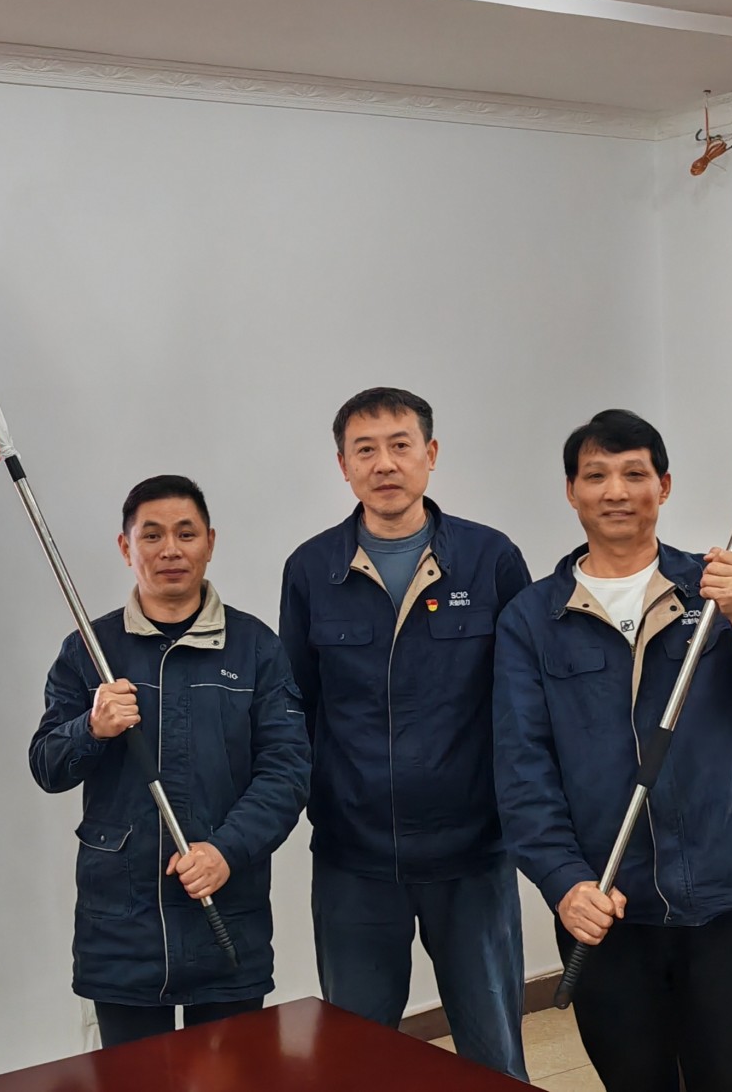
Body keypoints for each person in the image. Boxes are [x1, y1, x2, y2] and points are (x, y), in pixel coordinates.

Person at [493, 409, 732, 1092]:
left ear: (665, 485)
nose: (616, 491)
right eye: (596, 476)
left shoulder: (723, 591)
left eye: (635, 474)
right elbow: (521, 770)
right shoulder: (533, 620)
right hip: (608, 905)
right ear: (571, 492)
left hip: (727, 900)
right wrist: (563, 881)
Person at [279, 387, 532, 1078]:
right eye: (365, 450)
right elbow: (295, 707)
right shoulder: (311, 569)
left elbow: (522, 703)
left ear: (431, 453)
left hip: (472, 854)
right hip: (354, 859)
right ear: (343, 465)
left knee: (494, 1058)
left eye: (400, 445)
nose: (384, 464)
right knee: (358, 1061)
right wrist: (319, 801)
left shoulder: (490, 559)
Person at [29, 474, 310, 1048]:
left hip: (225, 916)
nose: (170, 550)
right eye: (151, 535)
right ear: (126, 547)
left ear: (210, 541)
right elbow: (47, 766)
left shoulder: (255, 647)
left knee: (234, 1075)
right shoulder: (90, 649)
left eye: (186, 533)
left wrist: (226, 850)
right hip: (121, 929)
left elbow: (287, 773)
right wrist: (91, 727)